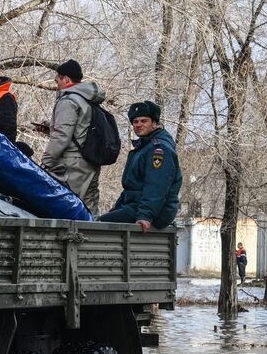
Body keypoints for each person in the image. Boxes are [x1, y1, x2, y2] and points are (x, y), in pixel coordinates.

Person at [99, 101, 182, 230]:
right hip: (138, 206)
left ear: (154, 123)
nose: (138, 125)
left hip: (157, 211)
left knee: (100, 225)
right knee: (101, 219)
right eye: (135, 121)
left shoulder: (158, 150)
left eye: (144, 121)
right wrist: (117, 206)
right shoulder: (143, 148)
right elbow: (131, 187)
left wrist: (145, 216)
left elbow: (156, 186)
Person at [40, 59, 108, 213]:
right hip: (90, 163)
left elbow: (62, 136)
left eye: (58, 80)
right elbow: (79, 130)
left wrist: (46, 162)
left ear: (66, 79)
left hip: (72, 166)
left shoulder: (69, 100)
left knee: (67, 210)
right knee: (90, 211)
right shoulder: (88, 99)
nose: (57, 84)